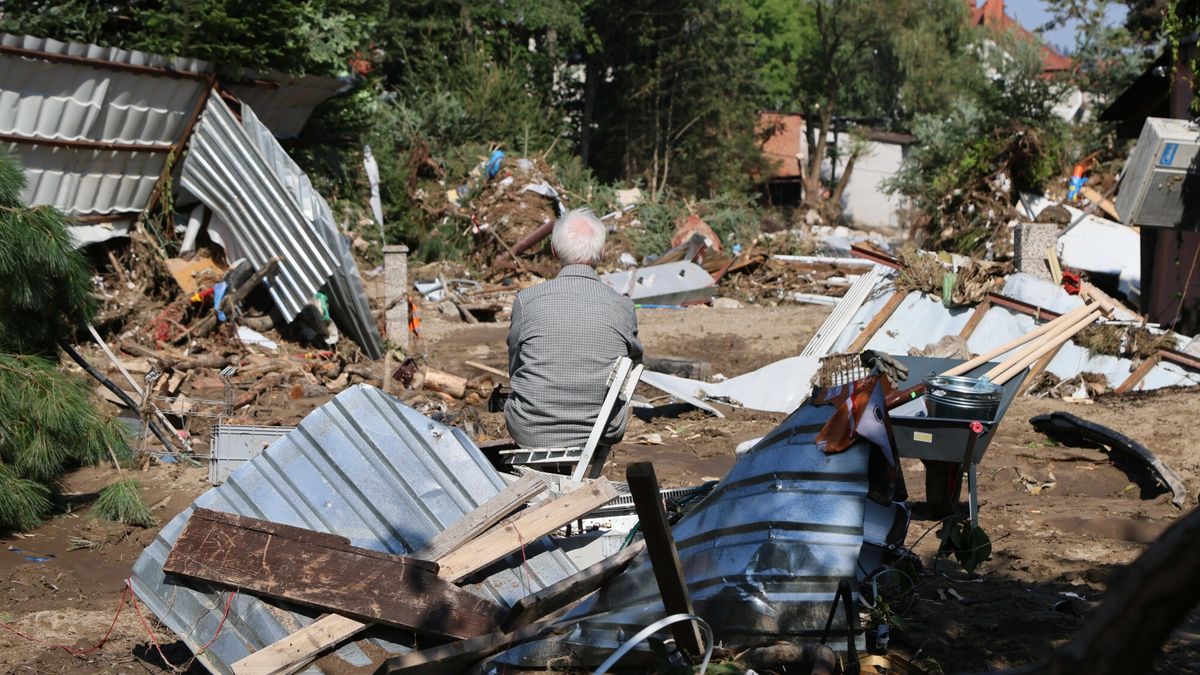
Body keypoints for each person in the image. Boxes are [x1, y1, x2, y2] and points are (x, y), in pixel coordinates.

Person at [505, 208, 643, 450]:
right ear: (602, 251)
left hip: (530, 429)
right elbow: (633, 367)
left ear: (554, 250)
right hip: (600, 430)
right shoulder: (623, 306)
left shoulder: (526, 301)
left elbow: (515, 365)